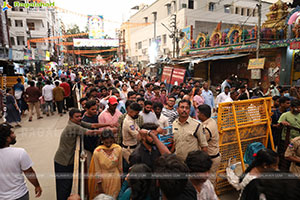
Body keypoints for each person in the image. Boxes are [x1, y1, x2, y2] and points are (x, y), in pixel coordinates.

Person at [54, 109, 105, 200]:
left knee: (68, 185)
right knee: (63, 188)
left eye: (80, 116)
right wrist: (109, 132)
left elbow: (93, 125)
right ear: (70, 118)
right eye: (77, 117)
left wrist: (108, 125)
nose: (79, 118)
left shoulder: (78, 123)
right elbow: (90, 132)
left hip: (68, 160)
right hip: (62, 161)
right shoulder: (72, 127)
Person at [0, 123, 42, 200]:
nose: (14, 135)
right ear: (7, 139)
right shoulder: (19, 153)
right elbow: (29, 173)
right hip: (20, 195)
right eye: (12, 133)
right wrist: (37, 186)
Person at [88, 129, 122, 199]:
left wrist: (121, 178)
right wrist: (99, 185)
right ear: (102, 140)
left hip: (115, 178)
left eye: (111, 142)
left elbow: (120, 166)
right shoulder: (97, 152)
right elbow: (97, 170)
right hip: (104, 179)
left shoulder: (118, 149)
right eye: (106, 142)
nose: (109, 144)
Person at [197, 104, 220, 186]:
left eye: (198, 113)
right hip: (214, 156)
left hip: (211, 158)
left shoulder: (206, 128)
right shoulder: (212, 121)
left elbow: (200, 142)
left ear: (202, 115)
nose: (197, 114)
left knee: (208, 183)